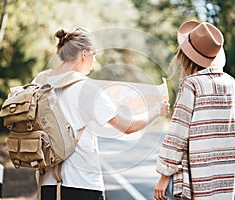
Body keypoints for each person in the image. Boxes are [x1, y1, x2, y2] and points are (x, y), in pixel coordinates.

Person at [34, 27, 170, 200]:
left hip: (46, 184)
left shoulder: (39, 81)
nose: (95, 60)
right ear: (84, 54)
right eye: (94, 54)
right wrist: (156, 111)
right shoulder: (87, 88)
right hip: (81, 184)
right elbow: (127, 126)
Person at [154, 20, 235, 200]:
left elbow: (177, 134)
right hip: (224, 181)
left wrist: (164, 175)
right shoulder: (230, 83)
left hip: (196, 184)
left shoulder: (192, 84)